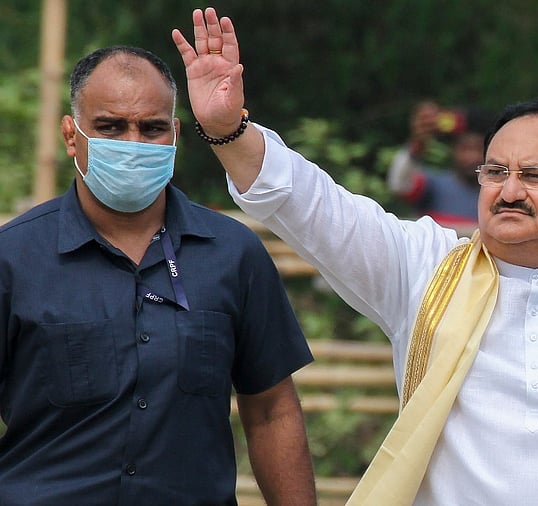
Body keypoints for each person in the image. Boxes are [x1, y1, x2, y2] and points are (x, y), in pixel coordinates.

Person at [172, 8, 538, 505]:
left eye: (535, 175)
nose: (508, 190)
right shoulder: (424, 268)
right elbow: (316, 207)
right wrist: (230, 131)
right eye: (495, 172)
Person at [0, 46, 316, 505]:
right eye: (110, 127)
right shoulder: (14, 258)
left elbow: (271, 411)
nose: (132, 144)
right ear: (72, 135)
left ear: (174, 136)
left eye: (150, 128)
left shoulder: (232, 254)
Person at [387, 100, 490, 232]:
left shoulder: (501, 193)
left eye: (478, 149)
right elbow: (399, 184)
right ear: (453, 150)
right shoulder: (433, 187)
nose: (472, 157)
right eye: (465, 148)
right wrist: (418, 143)